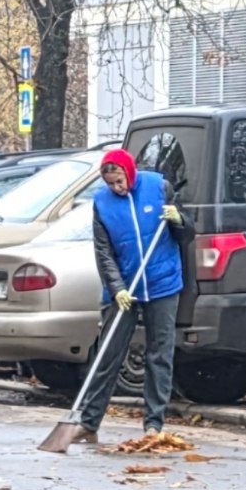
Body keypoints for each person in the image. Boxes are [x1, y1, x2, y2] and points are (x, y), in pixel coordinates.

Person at [74, 147, 184, 445]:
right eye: (110, 183)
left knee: (159, 354)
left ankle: (153, 424)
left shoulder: (158, 187)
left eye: (119, 181)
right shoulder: (101, 203)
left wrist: (179, 220)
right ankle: (88, 422)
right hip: (124, 287)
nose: (116, 188)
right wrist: (117, 287)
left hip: (162, 282)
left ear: (129, 173)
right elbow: (103, 252)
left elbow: (186, 236)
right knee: (107, 355)